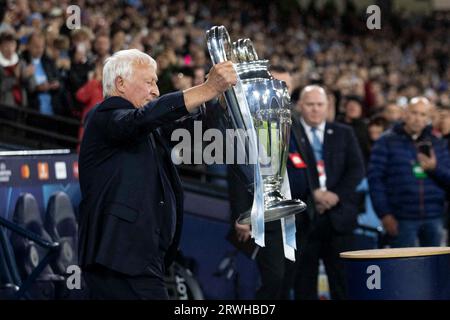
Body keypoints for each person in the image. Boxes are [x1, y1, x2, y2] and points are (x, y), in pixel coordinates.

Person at [78, 49, 237, 299]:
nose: (156, 90)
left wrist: (212, 98)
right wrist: (206, 89)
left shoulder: (148, 127)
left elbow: (186, 128)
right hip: (119, 258)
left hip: (137, 258)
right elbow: (142, 119)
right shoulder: (105, 115)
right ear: (120, 84)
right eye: (149, 82)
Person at [288, 85, 365, 300]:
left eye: (319, 105)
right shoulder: (289, 135)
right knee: (304, 284)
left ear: (327, 106)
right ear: (300, 106)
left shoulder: (344, 133)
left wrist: (335, 195)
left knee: (343, 285)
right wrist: (313, 194)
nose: (315, 109)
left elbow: (356, 169)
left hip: (338, 219)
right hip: (303, 220)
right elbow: (284, 172)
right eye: (310, 104)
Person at [368, 97, 450, 248]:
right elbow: (375, 180)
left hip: (434, 217)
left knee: (434, 269)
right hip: (401, 218)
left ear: (429, 118)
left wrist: (434, 168)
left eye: (423, 115)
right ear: (405, 114)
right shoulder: (386, 141)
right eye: (414, 113)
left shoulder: (437, 143)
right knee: (403, 269)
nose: (418, 118)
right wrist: (385, 214)